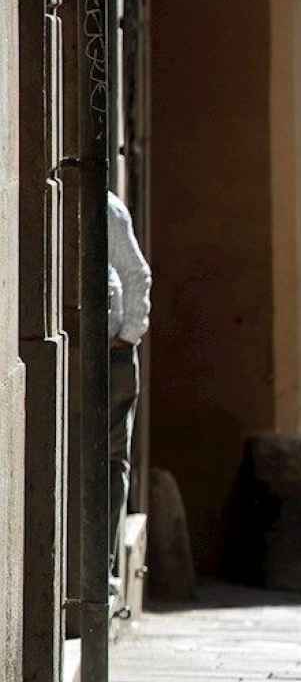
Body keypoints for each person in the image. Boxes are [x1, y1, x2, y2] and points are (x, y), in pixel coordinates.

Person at [108, 192, 152, 588]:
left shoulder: (106, 207)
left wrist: (128, 336)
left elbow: (136, 273)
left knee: (111, 461)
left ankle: (101, 569)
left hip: (113, 353)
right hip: (86, 348)